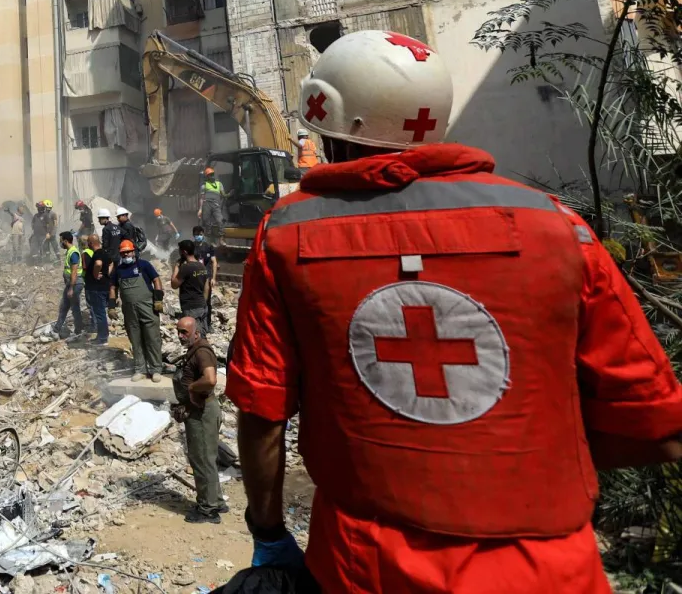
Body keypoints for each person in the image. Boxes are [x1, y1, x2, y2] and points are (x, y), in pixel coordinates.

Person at [230, 29, 682, 588]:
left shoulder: (287, 233)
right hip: (554, 570)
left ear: (333, 127)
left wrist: (269, 531)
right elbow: (656, 428)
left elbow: (261, 409)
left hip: (363, 568)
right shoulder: (558, 225)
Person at [173, 315, 224, 524]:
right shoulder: (196, 350)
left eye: (184, 332)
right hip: (199, 410)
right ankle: (216, 500)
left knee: (201, 460)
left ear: (197, 333)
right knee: (207, 458)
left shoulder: (202, 352)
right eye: (178, 331)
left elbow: (210, 379)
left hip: (202, 412)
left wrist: (192, 388)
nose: (180, 336)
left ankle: (208, 509)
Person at [111, 239, 164, 380]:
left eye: (128, 251)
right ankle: (140, 369)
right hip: (129, 310)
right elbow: (112, 287)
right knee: (135, 340)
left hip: (147, 307)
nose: (126, 255)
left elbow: (156, 280)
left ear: (133, 251)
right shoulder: (118, 270)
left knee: (152, 338)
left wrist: (158, 299)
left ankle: (155, 369)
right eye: (123, 253)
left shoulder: (144, 265)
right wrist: (111, 306)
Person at [172, 240, 211, 333]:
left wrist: (176, 267)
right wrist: (203, 302)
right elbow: (207, 287)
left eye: (180, 251)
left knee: (193, 336)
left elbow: (174, 284)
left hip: (191, 308)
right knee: (202, 334)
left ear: (184, 252)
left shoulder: (186, 267)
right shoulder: (202, 266)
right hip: (202, 306)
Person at [54, 231, 86, 338]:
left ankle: (79, 330)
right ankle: (57, 329)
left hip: (75, 284)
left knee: (74, 307)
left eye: (61, 241)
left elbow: (74, 271)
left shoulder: (73, 253)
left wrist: (71, 288)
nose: (60, 243)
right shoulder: (69, 251)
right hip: (71, 284)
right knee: (64, 306)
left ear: (65, 241)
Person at [82, 233, 111, 345]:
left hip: (97, 289)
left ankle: (102, 338)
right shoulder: (104, 252)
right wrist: (106, 274)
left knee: (99, 313)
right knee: (101, 312)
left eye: (88, 242)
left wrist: (95, 275)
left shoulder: (98, 253)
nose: (88, 244)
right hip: (103, 287)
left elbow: (98, 264)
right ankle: (103, 335)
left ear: (91, 243)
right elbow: (111, 263)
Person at [198, 168, 226, 242]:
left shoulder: (219, 184)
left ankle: (221, 238)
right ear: (207, 177)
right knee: (206, 221)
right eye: (210, 175)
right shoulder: (204, 186)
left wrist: (229, 194)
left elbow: (223, 195)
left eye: (213, 174)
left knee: (220, 220)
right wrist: (200, 209)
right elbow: (202, 198)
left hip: (216, 205)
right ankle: (211, 239)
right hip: (207, 204)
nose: (212, 176)